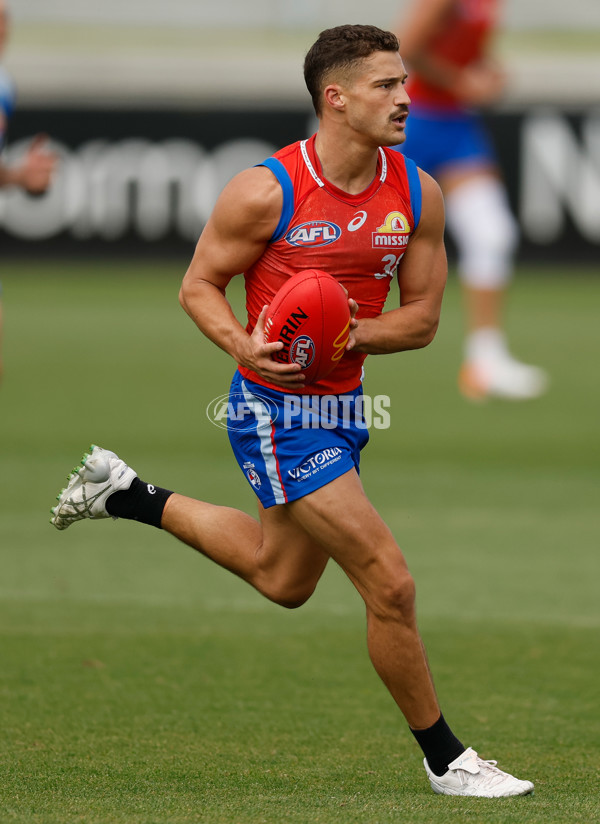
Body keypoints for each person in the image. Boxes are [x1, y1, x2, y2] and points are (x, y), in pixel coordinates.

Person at [50, 25, 534, 797]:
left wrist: (352, 332)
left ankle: (126, 493)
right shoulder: (266, 191)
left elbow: (422, 321)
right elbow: (198, 285)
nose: (405, 98)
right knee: (390, 583)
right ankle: (448, 760)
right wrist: (242, 343)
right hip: (275, 412)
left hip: (346, 406)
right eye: (386, 85)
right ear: (335, 98)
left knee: (283, 580)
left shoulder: (418, 193)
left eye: (405, 82)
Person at [392, 0, 548, 400]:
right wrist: (460, 80)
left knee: (491, 233)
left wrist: (488, 71)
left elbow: (464, 48)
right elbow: (406, 48)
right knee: (355, 231)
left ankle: (486, 362)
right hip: (414, 119)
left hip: (456, 124)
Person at [0, 0, 57, 382]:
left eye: (5, 18)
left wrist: (20, 177)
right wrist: (19, 176)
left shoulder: (4, 85)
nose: (2, 27)